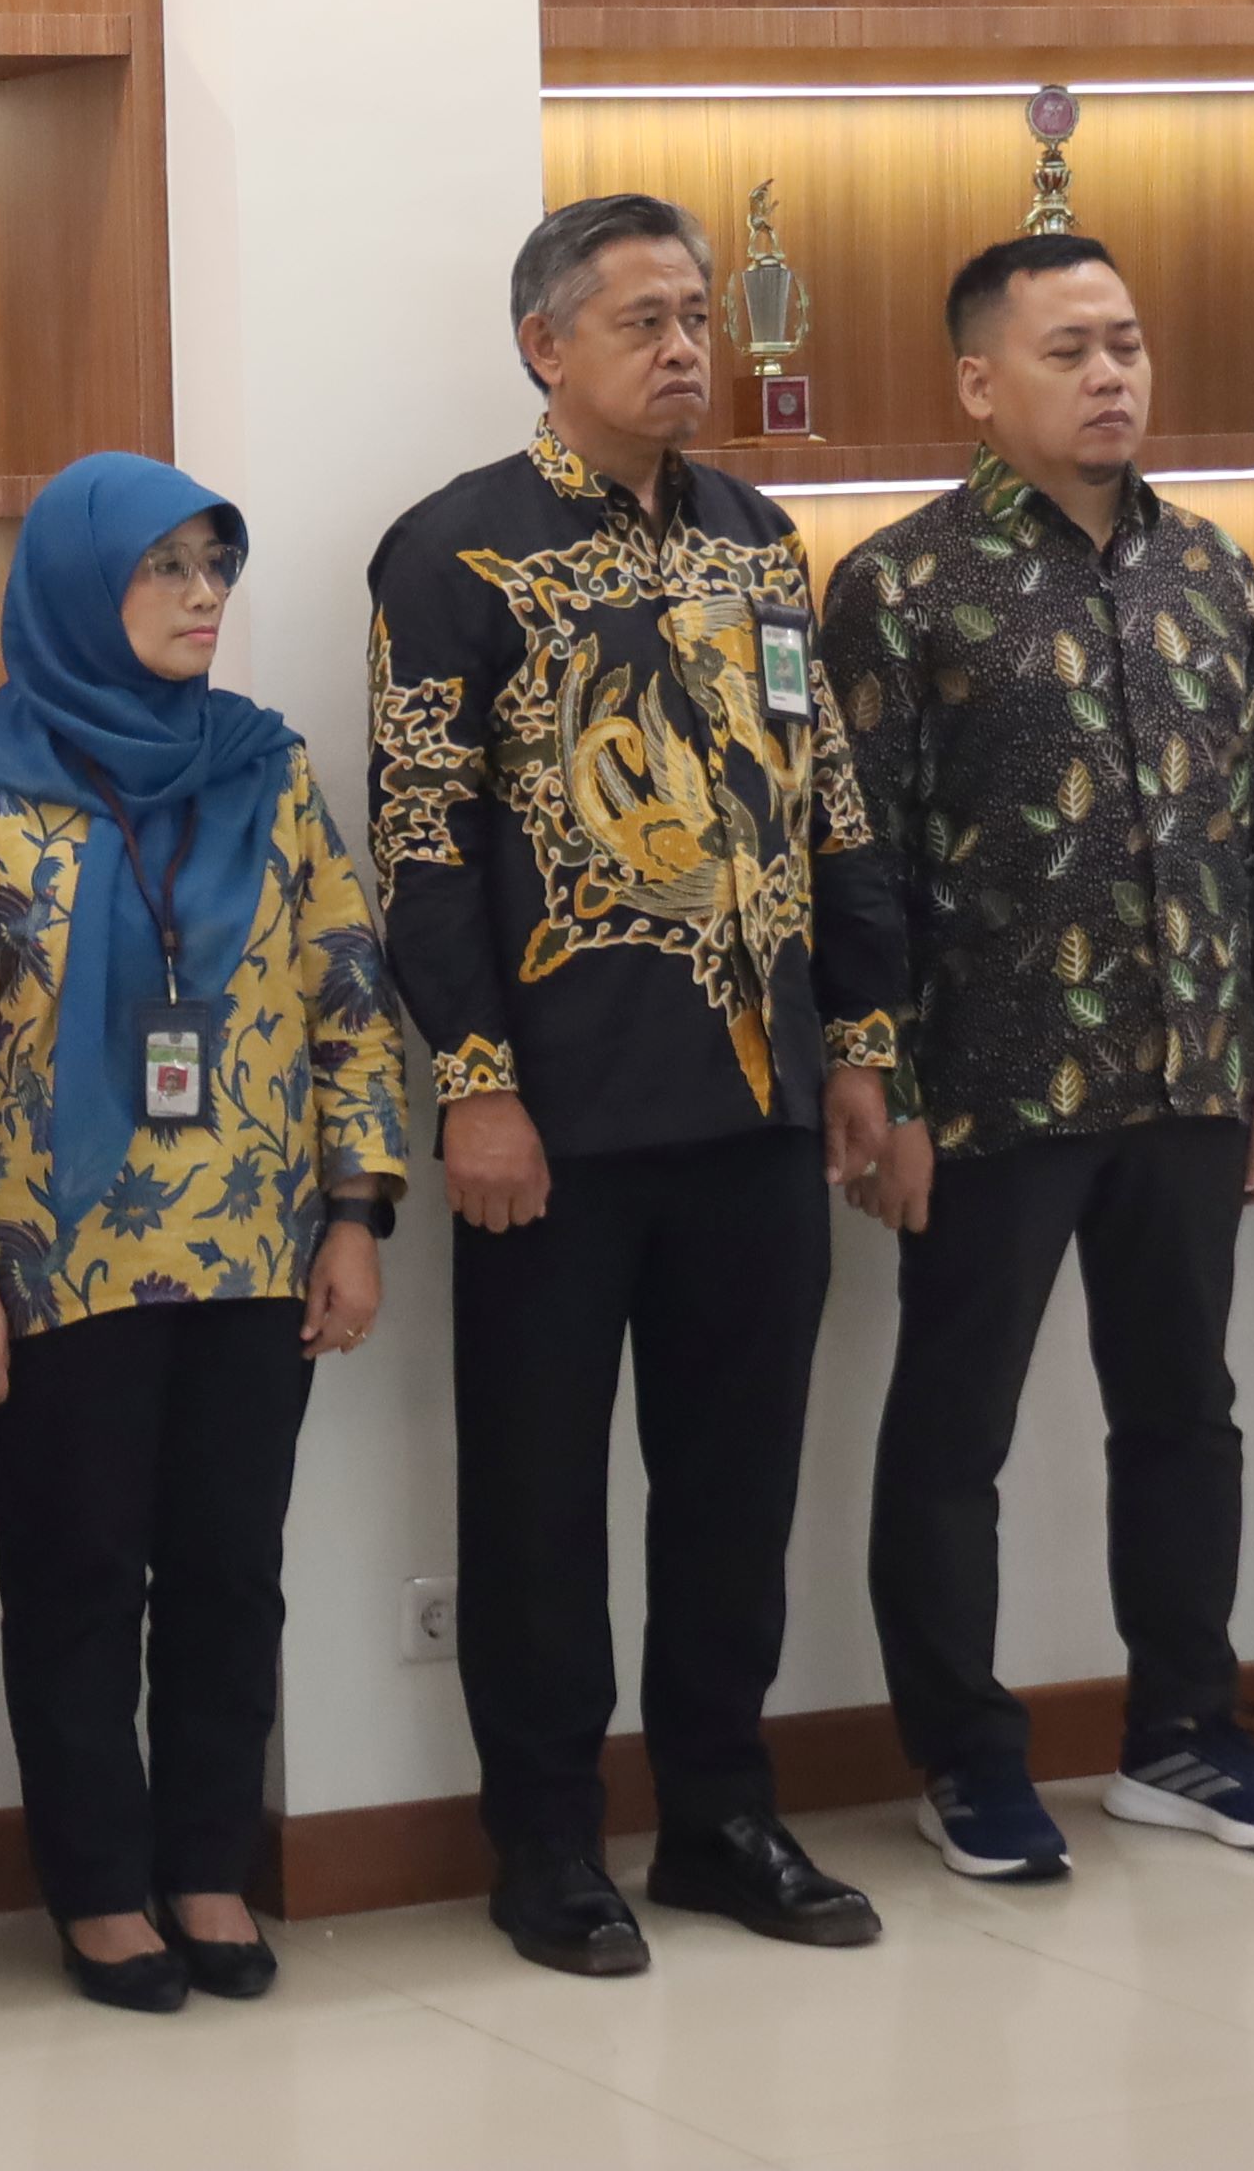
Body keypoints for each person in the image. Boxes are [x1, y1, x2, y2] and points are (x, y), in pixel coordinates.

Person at [366, 192, 903, 1978]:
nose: (686, 350)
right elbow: (421, 843)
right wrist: (473, 1083)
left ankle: (721, 1817)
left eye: (697, 318)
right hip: (559, 1118)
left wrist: (861, 1042)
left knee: (737, 1488)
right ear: (545, 346)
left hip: (755, 1101)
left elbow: (827, 801)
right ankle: (546, 1843)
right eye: (643, 322)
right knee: (537, 1502)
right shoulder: (455, 553)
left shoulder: (761, 541)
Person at [825, 236, 1254, 1884]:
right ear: (980, 384)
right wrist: (888, 1086)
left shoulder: (1209, 567)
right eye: (1069, 350)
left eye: (1126, 342)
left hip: (1192, 1067)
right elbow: (862, 865)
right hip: (991, 1088)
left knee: (1185, 1415)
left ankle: (1185, 1733)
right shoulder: (900, 585)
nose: (1112, 374)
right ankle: (967, 1760)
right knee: (952, 1432)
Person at [0, 454, 408, 2014]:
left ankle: (206, 1864)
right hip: (61, 1263)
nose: (202, 598)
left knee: (233, 1572)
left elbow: (346, 998)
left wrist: (358, 1214)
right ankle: (100, 1889)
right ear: (75, 586)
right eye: (164, 568)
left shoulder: (267, 771)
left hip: (256, 1245)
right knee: (78, 1580)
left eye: (215, 567)